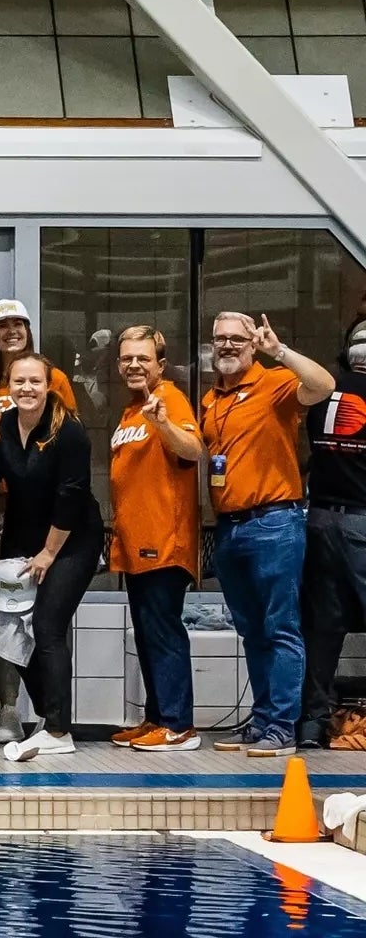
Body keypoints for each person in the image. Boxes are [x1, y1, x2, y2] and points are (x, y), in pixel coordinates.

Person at [201, 311, 335, 758]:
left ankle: (282, 727)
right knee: (252, 631)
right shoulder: (210, 400)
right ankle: (261, 722)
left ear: (252, 344)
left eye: (237, 338)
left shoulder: (274, 382)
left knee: (280, 628)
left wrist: (279, 351)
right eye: (220, 338)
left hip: (275, 523)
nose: (227, 345)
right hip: (230, 528)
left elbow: (323, 385)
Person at [0, 352, 104, 763]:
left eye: (35, 382)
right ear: (8, 386)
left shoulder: (70, 431)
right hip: (22, 538)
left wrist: (48, 553)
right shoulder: (5, 425)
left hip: (72, 538)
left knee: (46, 626)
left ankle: (60, 729)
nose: (26, 389)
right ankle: (49, 717)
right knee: (14, 634)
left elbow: (72, 496)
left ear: (50, 386)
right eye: (19, 382)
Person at [107, 326, 204, 753]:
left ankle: (179, 725)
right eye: (127, 358)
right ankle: (156, 717)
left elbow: (193, 450)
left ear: (160, 365)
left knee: (162, 630)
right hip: (135, 545)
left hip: (164, 542)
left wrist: (163, 422)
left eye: (142, 358)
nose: (133, 365)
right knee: (147, 632)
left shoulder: (170, 400)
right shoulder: (131, 411)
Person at [300, 318, 366, 749]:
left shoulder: (322, 393)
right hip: (362, 521)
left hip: (319, 519)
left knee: (322, 630)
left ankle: (311, 725)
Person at [0, 299, 79, 416]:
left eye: (18, 324)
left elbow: (72, 429)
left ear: (27, 332)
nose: (12, 331)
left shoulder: (54, 378)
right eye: (3, 326)